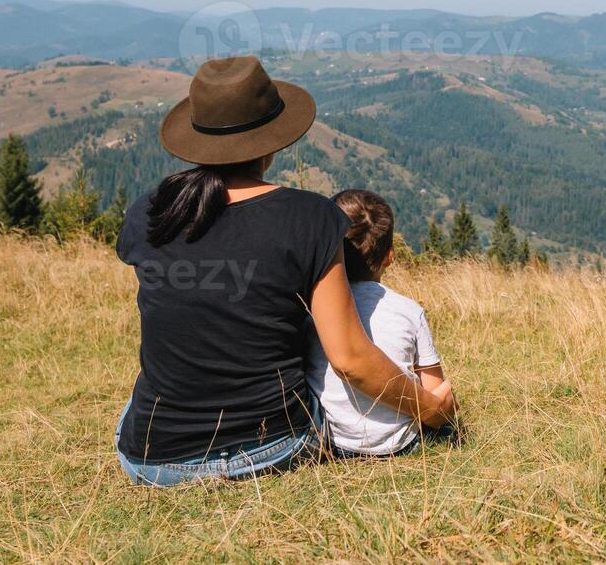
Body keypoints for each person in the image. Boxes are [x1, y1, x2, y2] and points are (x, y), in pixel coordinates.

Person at [113, 56, 455, 486]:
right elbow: (349, 359)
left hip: (151, 457)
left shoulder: (150, 211)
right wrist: (431, 408)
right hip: (272, 446)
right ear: (270, 140)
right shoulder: (308, 217)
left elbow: (183, 315)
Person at [308, 189, 458, 458]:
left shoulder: (311, 310)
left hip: (332, 443)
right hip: (399, 444)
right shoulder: (409, 311)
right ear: (390, 255)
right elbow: (435, 391)